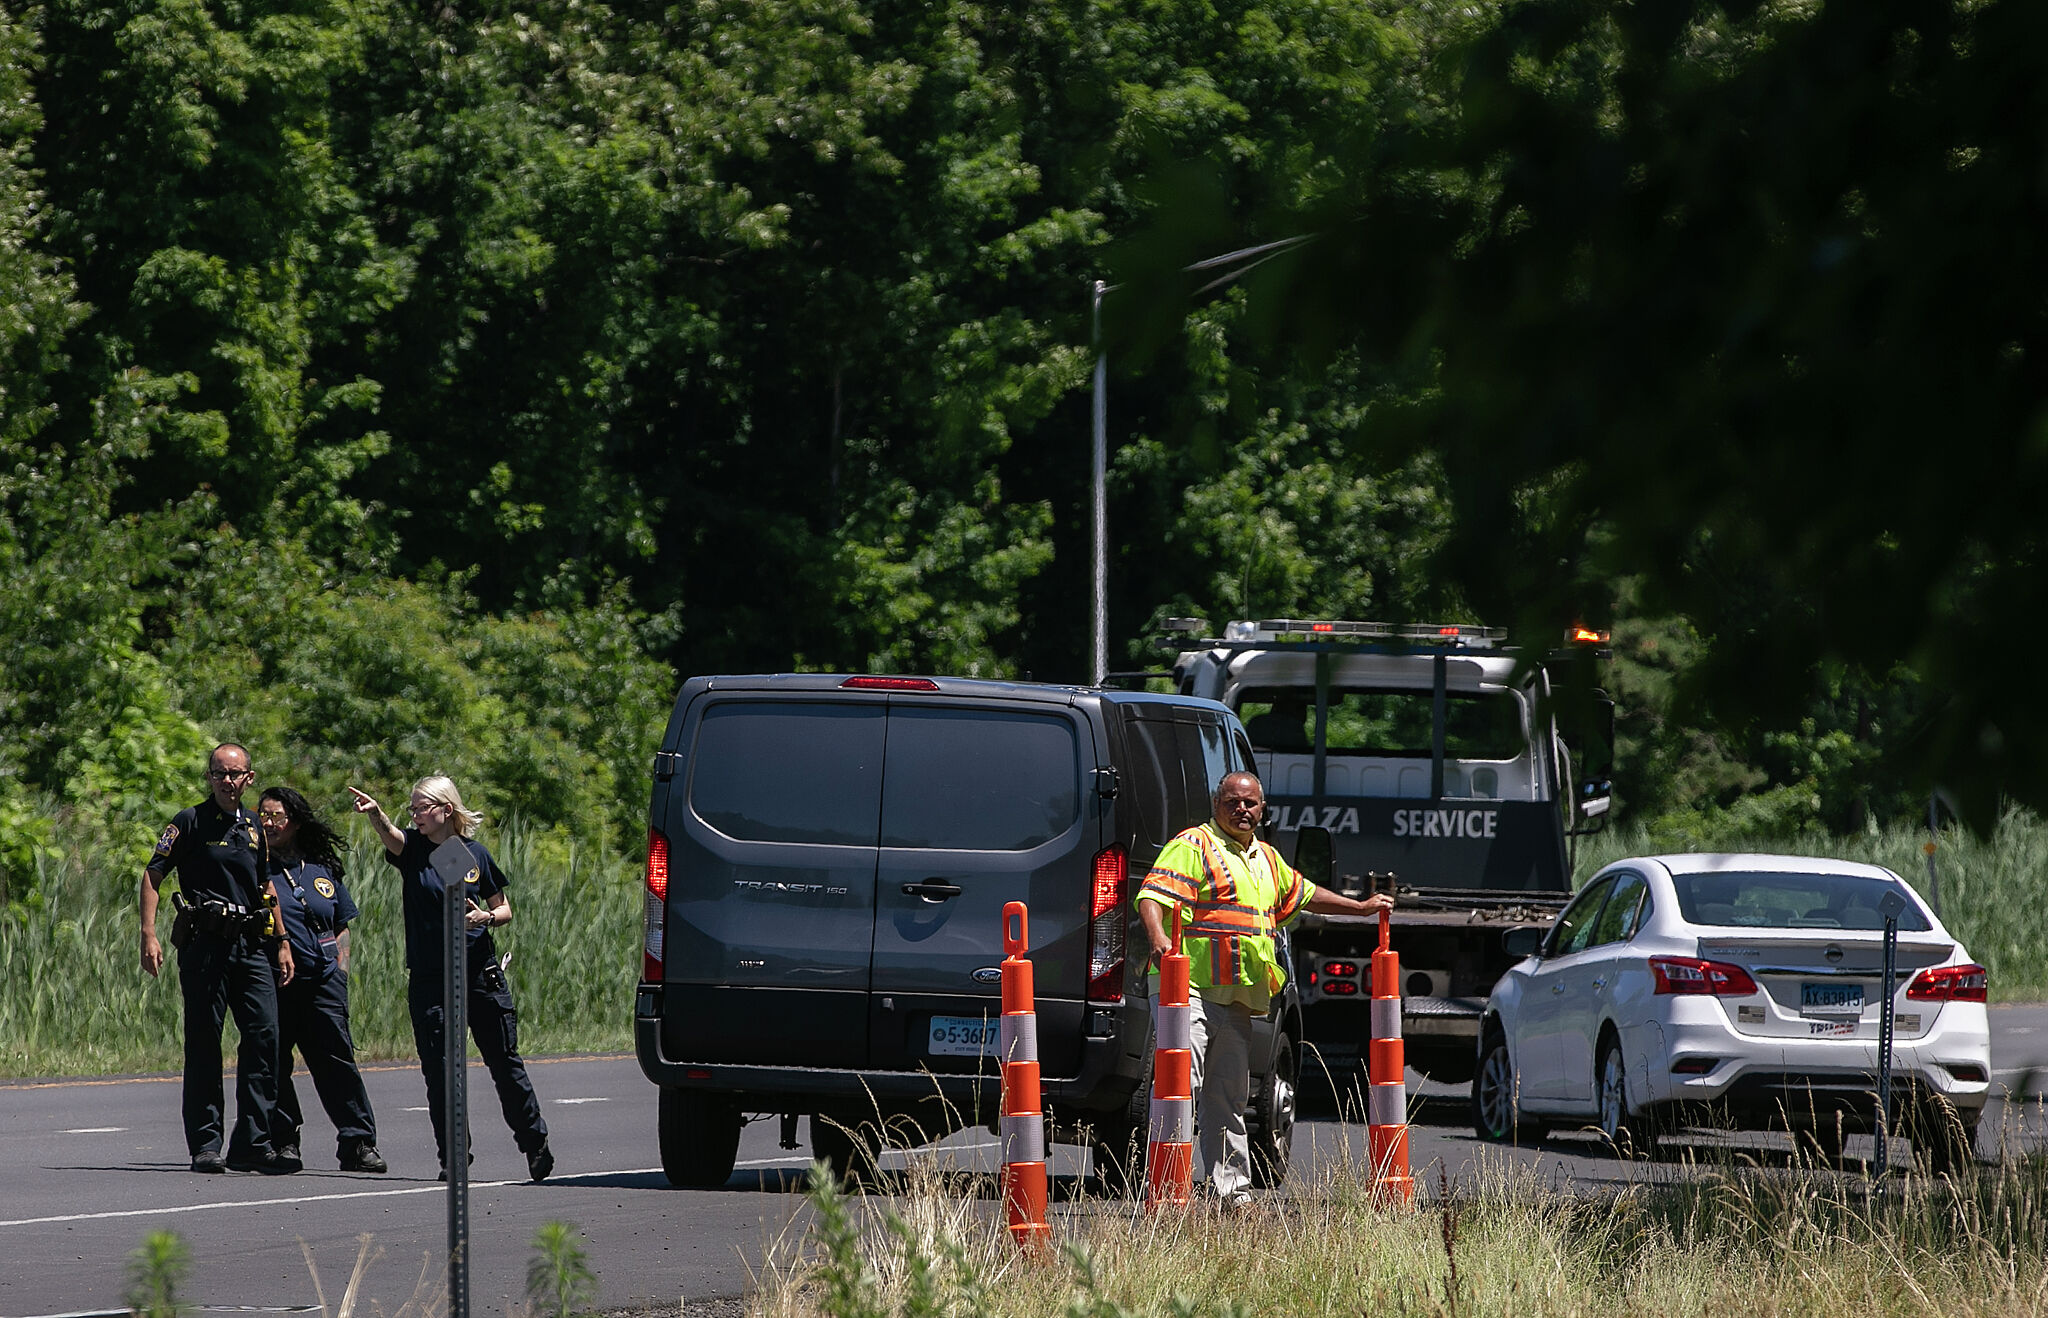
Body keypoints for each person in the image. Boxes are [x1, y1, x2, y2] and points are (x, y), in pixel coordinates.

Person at [1136, 770, 1393, 1208]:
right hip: (1187, 989)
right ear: (1216, 804)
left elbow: (1305, 894)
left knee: (1229, 1096)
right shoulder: (1194, 845)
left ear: (1262, 808)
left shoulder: (1266, 858)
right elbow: (1151, 896)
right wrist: (1158, 938)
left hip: (1237, 997)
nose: (1242, 809)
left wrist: (1360, 908)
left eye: (1250, 803)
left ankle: (1232, 1193)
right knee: (1180, 1087)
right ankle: (1166, 1190)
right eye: (1232, 801)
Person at [348, 776, 554, 1182]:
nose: (415, 815)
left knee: (503, 1062)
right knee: (441, 1071)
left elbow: (504, 909)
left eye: (421, 807)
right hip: (431, 978)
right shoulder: (413, 850)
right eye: (411, 808)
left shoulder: (471, 854)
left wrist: (485, 917)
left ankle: (535, 1143)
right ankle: (455, 1156)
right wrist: (376, 815)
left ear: (446, 809)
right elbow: (391, 836)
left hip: (477, 972)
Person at [138, 743, 300, 1174]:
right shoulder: (190, 821)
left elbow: (265, 886)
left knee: (265, 1038)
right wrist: (148, 933)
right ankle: (206, 1144)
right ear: (209, 777)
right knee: (205, 1043)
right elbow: (153, 874)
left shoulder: (254, 825)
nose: (227, 781)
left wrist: (282, 940)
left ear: (249, 778)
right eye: (219, 774)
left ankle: (252, 1142)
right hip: (206, 945)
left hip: (251, 946)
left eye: (234, 774)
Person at [258, 786, 388, 1174]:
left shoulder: (320, 868)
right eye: (262, 816)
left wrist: (340, 973)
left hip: (324, 982)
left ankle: (357, 1142)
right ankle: (284, 1141)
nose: (268, 823)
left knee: (336, 1062)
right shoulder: (253, 866)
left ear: (296, 822)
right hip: (275, 981)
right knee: (273, 1064)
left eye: (276, 817)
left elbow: (341, 924)